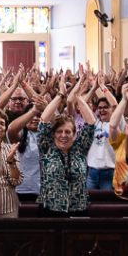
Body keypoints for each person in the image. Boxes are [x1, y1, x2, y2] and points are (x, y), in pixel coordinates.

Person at [36, 78, 96, 216]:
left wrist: (79, 98)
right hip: (50, 209)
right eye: (59, 131)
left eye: (68, 132)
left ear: (74, 134)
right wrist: (60, 95)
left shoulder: (80, 148)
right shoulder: (46, 147)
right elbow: (44, 120)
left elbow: (91, 122)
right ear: (53, 134)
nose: (63, 135)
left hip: (78, 208)